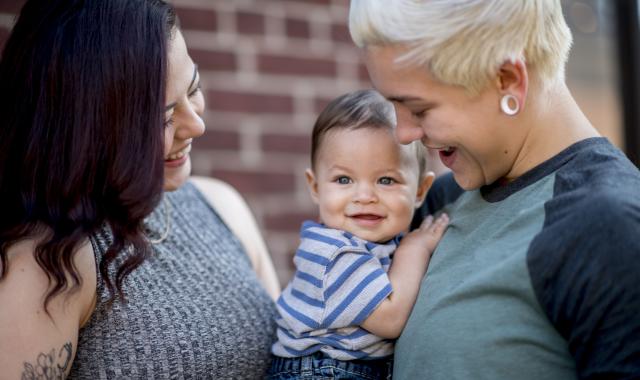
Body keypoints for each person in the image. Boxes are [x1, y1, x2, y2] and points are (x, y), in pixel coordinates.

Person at [348, 1, 640, 379]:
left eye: (418, 108)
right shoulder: (442, 200)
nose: (403, 134)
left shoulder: (610, 228)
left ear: (507, 79)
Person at [0, 0, 280, 378]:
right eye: (163, 117)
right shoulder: (52, 262)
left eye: (193, 88)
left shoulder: (221, 206)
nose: (196, 125)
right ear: (88, 127)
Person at [267, 89, 449, 380]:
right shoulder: (331, 252)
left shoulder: (372, 242)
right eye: (344, 179)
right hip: (321, 371)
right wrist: (414, 250)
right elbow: (389, 320)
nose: (364, 196)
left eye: (386, 180)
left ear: (420, 191)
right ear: (315, 187)